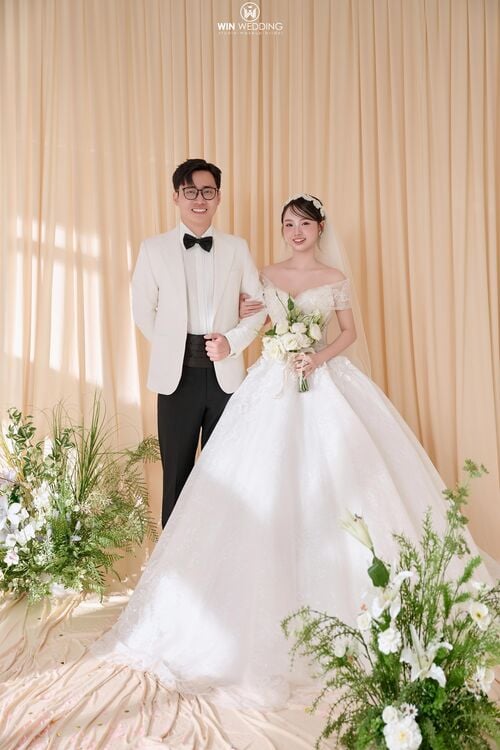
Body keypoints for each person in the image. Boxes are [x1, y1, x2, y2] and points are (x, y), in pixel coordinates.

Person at [94, 194, 484, 710]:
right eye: (287, 224)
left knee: (339, 483)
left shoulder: (334, 277)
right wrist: (250, 331)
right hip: (271, 383)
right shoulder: (265, 274)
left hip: (323, 379)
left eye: (303, 224)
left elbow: (350, 332)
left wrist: (316, 358)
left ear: (319, 228)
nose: (295, 231)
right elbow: (254, 322)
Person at [132, 158, 266, 526]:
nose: (199, 199)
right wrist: (172, 347)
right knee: (176, 473)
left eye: (208, 191)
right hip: (176, 377)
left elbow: (257, 308)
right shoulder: (153, 249)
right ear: (176, 197)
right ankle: (174, 559)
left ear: (219, 197)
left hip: (225, 374)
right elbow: (143, 310)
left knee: (226, 473)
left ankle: (222, 554)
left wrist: (232, 343)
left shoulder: (237, 248)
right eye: (190, 191)